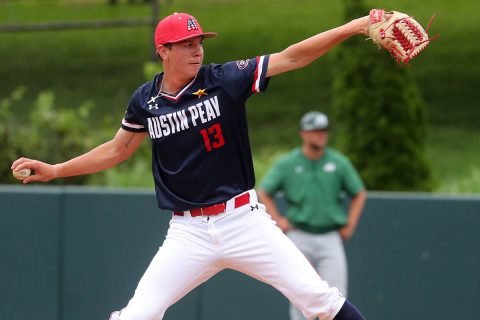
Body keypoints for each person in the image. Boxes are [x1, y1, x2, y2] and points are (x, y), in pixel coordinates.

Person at [11, 11, 374, 320]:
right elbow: (117, 150)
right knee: (138, 314)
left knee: (319, 300)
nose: (196, 50)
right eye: (186, 44)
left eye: (199, 43)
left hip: (243, 221)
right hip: (188, 233)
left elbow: (292, 57)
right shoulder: (146, 100)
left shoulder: (225, 80)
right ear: (163, 51)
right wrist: (56, 170)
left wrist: (353, 27)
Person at [257, 111, 367, 320]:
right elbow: (265, 190)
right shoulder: (288, 163)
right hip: (299, 236)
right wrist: (278, 220)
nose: (321, 135)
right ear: (303, 134)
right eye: (315, 131)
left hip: (329, 236)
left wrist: (351, 223)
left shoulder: (338, 162)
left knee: (337, 298)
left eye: (323, 131)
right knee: (300, 296)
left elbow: (359, 192)